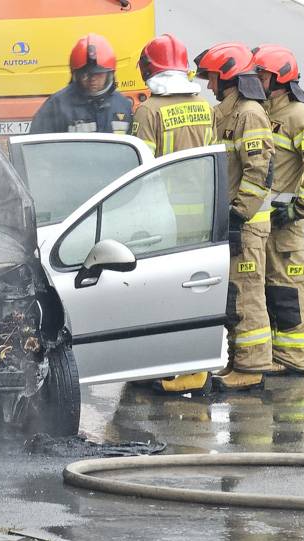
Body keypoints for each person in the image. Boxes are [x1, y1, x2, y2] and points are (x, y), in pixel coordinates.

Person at [132, 34, 218, 394]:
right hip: (203, 214)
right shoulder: (205, 106)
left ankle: (172, 367)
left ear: (149, 69)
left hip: (163, 219)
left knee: (162, 296)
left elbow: (138, 170)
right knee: (198, 293)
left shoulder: (149, 111)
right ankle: (195, 366)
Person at [195, 42, 274, 390]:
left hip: (248, 224)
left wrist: (239, 215)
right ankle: (239, 361)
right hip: (233, 219)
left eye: (212, 78)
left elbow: (259, 172)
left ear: (227, 76)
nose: (209, 86)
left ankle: (252, 366)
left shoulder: (249, 113)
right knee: (233, 294)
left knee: (248, 294)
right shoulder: (225, 111)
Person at [252, 44, 304, 376]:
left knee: (290, 286)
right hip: (266, 220)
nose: (257, 79)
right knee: (270, 287)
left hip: (286, 222)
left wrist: (300, 208)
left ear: (278, 79)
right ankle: (278, 352)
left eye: (262, 74)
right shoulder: (268, 113)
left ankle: (294, 356)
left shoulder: (299, 116)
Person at [30, 33, 133, 135]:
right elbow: (38, 145)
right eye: (86, 75)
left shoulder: (123, 106)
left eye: (99, 74)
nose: (92, 79)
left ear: (109, 75)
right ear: (76, 75)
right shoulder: (57, 106)